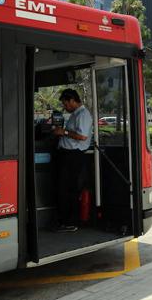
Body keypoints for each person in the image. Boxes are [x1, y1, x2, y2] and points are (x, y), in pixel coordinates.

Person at [52, 89, 93, 233]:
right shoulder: (75, 115)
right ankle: (64, 220)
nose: (65, 107)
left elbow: (82, 136)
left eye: (65, 104)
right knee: (63, 188)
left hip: (73, 156)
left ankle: (70, 222)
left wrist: (64, 132)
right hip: (67, 155)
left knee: (69, 189)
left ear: (72, 100)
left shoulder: (83, 114)